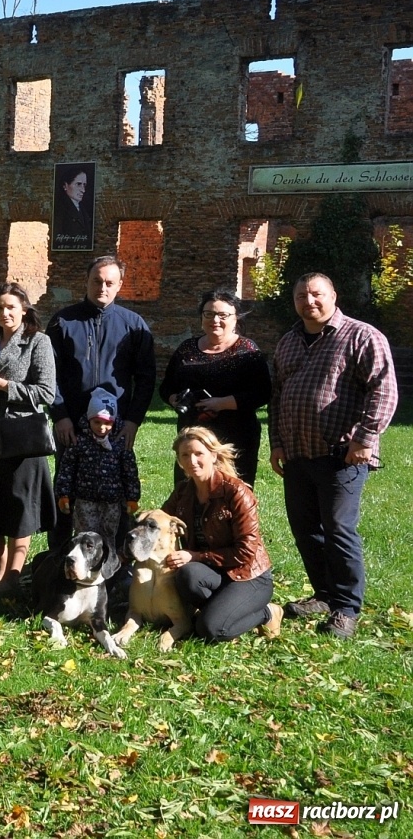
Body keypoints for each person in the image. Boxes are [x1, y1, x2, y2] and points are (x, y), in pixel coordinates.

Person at [270, 272, 399, 639]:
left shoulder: (361, 335)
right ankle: (324, 595)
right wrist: (277, 443)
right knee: (306, 529)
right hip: (297, 454)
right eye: (300, 295)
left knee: (339, 529)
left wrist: (365, 438)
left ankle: (346, 608)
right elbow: (278, 397)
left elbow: (383, 390)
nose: (308, 301)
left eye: (316, 294)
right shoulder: (289, 342)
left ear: (333, 295)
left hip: (343, 454)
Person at [0, 282, 56, 595]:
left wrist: (4, 386)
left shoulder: (37, 342)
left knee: (20, 507)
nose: (5, 313)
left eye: (11, 307)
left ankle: (14, 575)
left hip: (20, 435)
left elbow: (46, 392)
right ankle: (1, 568)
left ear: (24, 309)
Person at [161, 427, 282, 642]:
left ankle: (267, 613)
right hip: (213, 574)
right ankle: (221, 610)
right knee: (185, 575)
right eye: (185, 455)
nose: (192, 461)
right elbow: (160, 521)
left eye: (199, 453)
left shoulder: (236, 492)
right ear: (179, 460)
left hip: (249, 576)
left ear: (213, 455)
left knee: (211, 629)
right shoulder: (183, 492)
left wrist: (196, 556)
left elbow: (245, 551)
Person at [159, 289, 271, 485]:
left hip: (235, 437)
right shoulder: (187, 349)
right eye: (208, 314)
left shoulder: (248, 351)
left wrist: (222, 403)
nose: (215, 320)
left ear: (236, 318)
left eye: (223, 315)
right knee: (189, 495)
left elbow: (262, 392)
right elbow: (166, 387)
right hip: (192, 438)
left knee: (232, 495)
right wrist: (175, 399)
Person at [47, 255, 156, 453]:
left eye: (109, 283)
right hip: (72, 423)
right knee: (69, 481)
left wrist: (133, 420)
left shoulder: (133, 325)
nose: (102, 288)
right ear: (86, 280)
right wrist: (60, 416)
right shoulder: (63, 322)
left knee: (114, 482)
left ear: (119, 285)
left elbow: (146, 378)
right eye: (97, 281)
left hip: (116, 422)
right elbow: (49, 374)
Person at [53, 390, 139, 548]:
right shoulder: (79, 442)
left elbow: (129, 472)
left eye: (107, 423)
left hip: (111, 502)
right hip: (85, 500)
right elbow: (67, 469)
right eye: (97, 422)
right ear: (89, 419)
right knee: (84, 537)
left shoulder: (120, 444)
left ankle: (107, 566)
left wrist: (132, 497)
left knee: (109, 536)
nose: (102, 428)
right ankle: (83, 566)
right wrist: (63, 494)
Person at [54, 166, 93, 244]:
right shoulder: (60, 209)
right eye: (78, 184)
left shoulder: (82, 209)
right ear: (65, 186)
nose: (83, 190)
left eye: (84, 185)